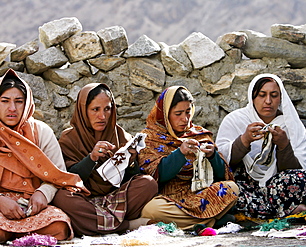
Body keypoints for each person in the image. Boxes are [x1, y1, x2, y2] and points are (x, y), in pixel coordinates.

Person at [52, 83, 158, 236]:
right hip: (84, 199)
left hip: (115, 199)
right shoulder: (69, 139)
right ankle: (127, 225)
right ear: (83, 111)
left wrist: (131, 160)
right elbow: (69, 177)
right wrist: (92, 158)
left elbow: (132, 178)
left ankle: (90, 224)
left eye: (107, 109)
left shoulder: (121, 135)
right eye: (95, 109)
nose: (102, 116)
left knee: (148, 184)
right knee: (62, 197)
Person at [0, 69, 89, 243]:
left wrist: (42, 194)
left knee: (59, 227)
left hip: (31, 205)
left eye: (19, 102)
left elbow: (58, 174)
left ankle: (12, 234)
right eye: (4, 101)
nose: (12, 108)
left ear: (27, 105)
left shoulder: (40, 132)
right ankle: (16, 234)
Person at [138, 86, 239, 230]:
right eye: (178, 113)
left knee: (232, 188)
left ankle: (189, 223)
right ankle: (211, 221)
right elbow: (154, 176)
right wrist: (180, 154)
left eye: (188, 112)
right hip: (169, 199)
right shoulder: (149, 138)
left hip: (199, 195)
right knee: (150, 210)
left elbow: (222, 175)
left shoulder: (199, 134)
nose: (184, 119)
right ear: (164, 114)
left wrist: (212, 156)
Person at [216, 74, 306, 219]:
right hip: (245, 184)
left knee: (298, 179)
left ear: (281, 98)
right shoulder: (235, 120)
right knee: (225, 190)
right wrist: (244, 140)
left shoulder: (291, 124)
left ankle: (260, 210)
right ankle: (284, 210)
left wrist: (284, 146)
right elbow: (221, 162)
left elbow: (298, 169)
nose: (268, 101)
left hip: (276, 186)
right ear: (252, 97)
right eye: (262, 95)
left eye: (274, 95)